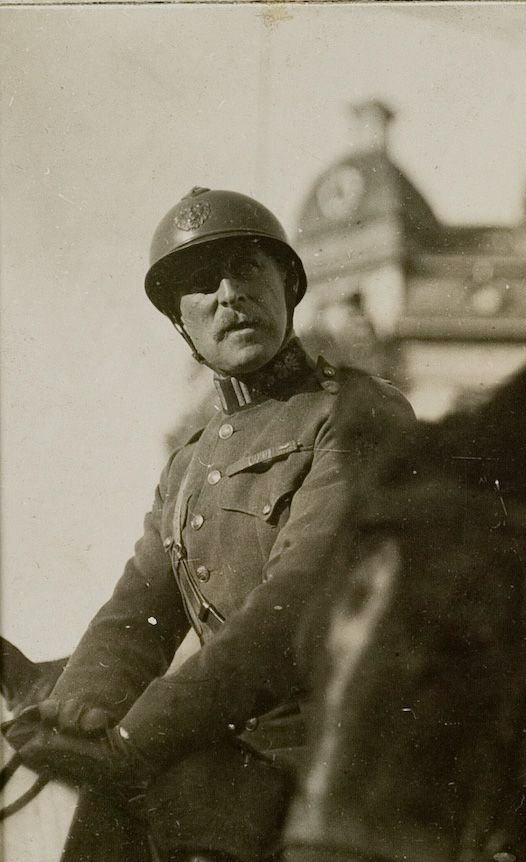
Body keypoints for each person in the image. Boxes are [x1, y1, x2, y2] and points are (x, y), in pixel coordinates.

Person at [4, 187, 415, 862]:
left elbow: (294, 606)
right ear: (182, 324)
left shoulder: (359, 413)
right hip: (221, 741)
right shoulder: (190, 463)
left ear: (288, 285)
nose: (228, 295)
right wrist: (73, 713)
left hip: (337, 756)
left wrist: (134, 739)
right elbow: (136, 613)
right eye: (201, 285)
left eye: (248, 270)